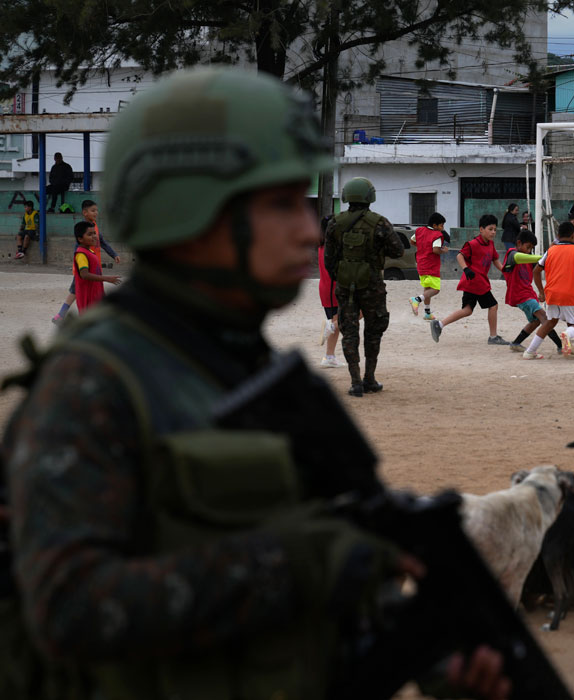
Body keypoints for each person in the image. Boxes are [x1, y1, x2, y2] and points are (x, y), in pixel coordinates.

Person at [1, 68, 509, 700]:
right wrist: (296, 563)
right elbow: (68, 607)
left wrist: (430, 660)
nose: (306, 229)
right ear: (189, 211)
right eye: (279, 204)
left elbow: (326, 581)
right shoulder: (93, 385)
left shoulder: (254, 370)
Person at [324, 177, 404, 397]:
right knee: (373, 331)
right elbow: (397, 251)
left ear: (347, 196)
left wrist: (343, 273)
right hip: (372, 284)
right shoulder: (379, 222)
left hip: (345, 285)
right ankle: (370, 378)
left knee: (349, 332)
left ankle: (355, 382)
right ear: (370, 197)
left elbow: (328, 260)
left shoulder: (335, 222)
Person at [429, 214, 508, 346]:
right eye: (490, 229)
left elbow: (495, 260)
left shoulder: (490, 244)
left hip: (475, 282)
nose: (493, 232)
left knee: (467, 310)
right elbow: (460, 256)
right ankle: (493, 337)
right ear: (481, 229)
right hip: (476, 282)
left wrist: (505, 271)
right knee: (493, 306)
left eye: (495, 229)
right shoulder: (473, 244)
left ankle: (439, 324)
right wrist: (466, 269)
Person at [53, 199, 121, 324]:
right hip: (84, 267)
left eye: (96, 210)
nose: (96, 213)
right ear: (85, 213)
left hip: (94, 265)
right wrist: (79, 265)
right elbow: (78, 251)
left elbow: (103, 243)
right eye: (93, 210)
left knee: (92, 290)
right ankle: (61, 315)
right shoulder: (83, 230)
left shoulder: (93, 226)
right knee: (76, 291)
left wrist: (114, 254)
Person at [527, 221, 574, 360]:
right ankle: (567, 334)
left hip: (552, 293)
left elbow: (536, 270)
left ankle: (530, 351)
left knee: (550, 322)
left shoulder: (551, 250)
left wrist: (541, 291)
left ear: (558, 236)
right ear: (573, 236)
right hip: (570, 293)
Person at [501, 229, 563, 354]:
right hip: (521, 296)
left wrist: (540, 292)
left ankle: (516, 343)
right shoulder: (512, 254)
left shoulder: (528, 260)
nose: (529, 251)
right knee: (545, 318)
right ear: (519, 243)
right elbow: (518, 257)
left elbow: (536, 274)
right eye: (528, 247)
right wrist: (545, 256)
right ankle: (560, 346)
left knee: (535, 321)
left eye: (531, 249)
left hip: (529, 294)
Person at [71, 220, 121, 310]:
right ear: (80, 239)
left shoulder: (89, 251)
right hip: (88, 297)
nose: (94, 236)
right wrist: (107, 278)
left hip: (95, 295)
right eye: (90, 234)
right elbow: (84, 274)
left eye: (94, 233)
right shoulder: (81, 254)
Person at [410, 212, 449, 321]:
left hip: (420, 263)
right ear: (435, 225)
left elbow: (412, 241)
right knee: (435, 289)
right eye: (441, 225)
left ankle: (427, 313)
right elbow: (435, 250)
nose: (443, 228)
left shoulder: (419, 230)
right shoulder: (437, 235)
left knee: (427, 288)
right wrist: (444, 250)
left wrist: (422, 246)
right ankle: (416, 299)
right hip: (431, 265)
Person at [318, 215, 343, 369]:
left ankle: (329, 357)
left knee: (337, 321)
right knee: (357, 311)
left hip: (325, 288)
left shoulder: (321, 244)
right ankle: (331, 326)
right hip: (334, 288)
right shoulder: (334, 246)